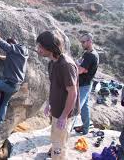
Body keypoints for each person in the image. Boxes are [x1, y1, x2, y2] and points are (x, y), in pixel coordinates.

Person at [36, 31, 79, 160]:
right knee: (56, 139)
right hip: (57, 110)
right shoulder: (52, 63)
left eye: (40, 47)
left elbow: (73, 92)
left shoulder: (65, 65)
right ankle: (56, 154)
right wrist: (49, 104)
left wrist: (64, 116)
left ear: (49, 47)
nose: (38, 50)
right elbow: (54, 86)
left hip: (63, 112)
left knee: (59, 144)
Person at [75, 33, 99, 135]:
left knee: (76, 108)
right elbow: (80, 67)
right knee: (84, 107)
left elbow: (80, 69)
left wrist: (77, 66)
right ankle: (85, 129)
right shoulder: (89, 53)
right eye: (81, 42)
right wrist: (79, 66)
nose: (82, 44)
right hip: (86, 84)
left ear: (90, 41)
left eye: (84, 42)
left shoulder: (90, 55)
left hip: (83, 85)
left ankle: (66, 131)